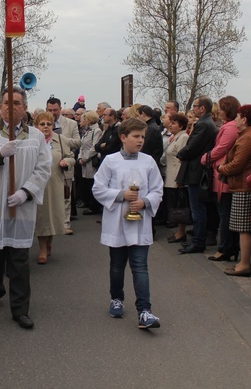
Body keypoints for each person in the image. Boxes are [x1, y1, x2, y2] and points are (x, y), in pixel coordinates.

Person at [0, 86, 52, 329]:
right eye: (7, 103)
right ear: (0, 107)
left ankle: (20, 309)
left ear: (25, 108)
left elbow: (43, 168)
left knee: (19, 259)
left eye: (17, 103)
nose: (11, 107)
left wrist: (26, 192)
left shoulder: (36, 136)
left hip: (21, 207)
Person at [93, 118, 163, 329]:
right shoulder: (111, 161)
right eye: (136, 136)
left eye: (142, 136)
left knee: (140, 266)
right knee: (117, 266)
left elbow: (157, 189)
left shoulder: (148, 161)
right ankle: (117, 298)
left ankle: (145, 311)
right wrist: (121, 195)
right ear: (123, 137)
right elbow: (98, 188)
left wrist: (145, 202)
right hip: (117, 222)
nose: (140, 140)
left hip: (140, 222)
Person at [218, 105, 251, 276]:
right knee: (243, 227)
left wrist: (222, 168)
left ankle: (244, 264)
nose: (235, 120)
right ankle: (243, 262)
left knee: (244, 227)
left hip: (244, 185)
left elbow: (238, 164)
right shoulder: (248, 135)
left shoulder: (248, 137)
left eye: (237, 117)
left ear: (244, 119)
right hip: (242, 184)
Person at [177, 96, 218, 254]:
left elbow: (192, 147)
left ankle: (198, 241)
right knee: (198, 208)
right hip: (197, 169)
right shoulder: (205, 123)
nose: (193, 109)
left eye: (195, 106)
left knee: (197, 209)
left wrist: (180, 154)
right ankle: (198, 240)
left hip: (196, 171)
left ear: (203, 108)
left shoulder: (204, 125)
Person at [33, 112, 75, 263]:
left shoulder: (61, 140)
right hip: (38, 184)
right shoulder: (32, 141)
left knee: (52, 217)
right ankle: (42, 249)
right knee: (41, 217)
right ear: (36, 126)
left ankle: (48, 244)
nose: (45, 127)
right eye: (42, 124)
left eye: (49, 124)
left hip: (55, 183)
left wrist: (67, 162)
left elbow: (71, 157)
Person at [204, 96, 240, 261]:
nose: (218, 111)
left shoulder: (231, 128)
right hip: (220, 172)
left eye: (221, 108)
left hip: (223, 175)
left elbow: (221, 148)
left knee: (225, 214)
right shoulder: (228, 126)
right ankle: (227, 247)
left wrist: (205, 158)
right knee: (224, 213)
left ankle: (225, 248)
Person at [46, 97, 81, 234]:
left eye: (55, 110)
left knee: (66, 196)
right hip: (47, 166)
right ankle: (50, 221)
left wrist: (60, 139)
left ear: (60, 109)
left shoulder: (71, 124)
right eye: (50, 110)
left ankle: (65, 224)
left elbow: (78, 142)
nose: (53, 112)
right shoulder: (42, 122)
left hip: (64, 163)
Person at [165, 113, 190, 242]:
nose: (170, 125)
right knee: (174, 206)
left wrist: (180, 179)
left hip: (176, 176)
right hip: (170, 175)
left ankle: (181, 232)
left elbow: (182, 158)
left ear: (181, 126)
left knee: (180, 207)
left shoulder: (183, 137)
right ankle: (179, 232)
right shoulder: (175, 137)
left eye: (174, 123)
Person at [78, 111, 103, 215]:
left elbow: (94, 147)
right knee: (86, 183)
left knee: (92, 183)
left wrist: (84, 158)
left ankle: (94, 206)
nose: (83, 121)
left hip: (90, 161)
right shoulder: (87, 131)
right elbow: (82, 145)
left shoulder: (96, 131)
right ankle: (88, 203)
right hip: (84, 161)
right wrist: (80, 157)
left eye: (85, 119)